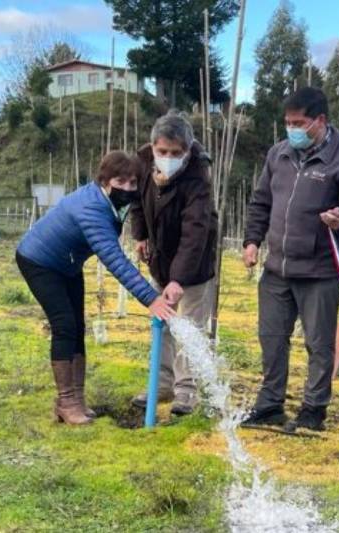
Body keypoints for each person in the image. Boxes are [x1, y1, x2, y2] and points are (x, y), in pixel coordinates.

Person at [240, 87, 339, 433]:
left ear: (320, 121)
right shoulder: (278, 155)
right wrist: (252, 240)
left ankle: (314, 408)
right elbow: (261, 202)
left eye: (299, 123)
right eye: (287, 122)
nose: (292, 129)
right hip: (277, 267)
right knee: (271, 338)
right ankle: (269, 405)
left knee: (319, 343)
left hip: (320, 270)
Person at [16, 151, 175, 426]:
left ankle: (76, 398)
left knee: (78, 325)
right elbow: (114, 258)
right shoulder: (91, 209)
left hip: (67, 264)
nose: (126, 188)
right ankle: (66, 401)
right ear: (104, 180)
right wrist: (150, 298)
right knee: (64, 325)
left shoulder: (113, 201)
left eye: (132, 183)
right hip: (39, 261)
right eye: (120, 181)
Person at [129, 112, 217, 416]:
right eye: (162, 151)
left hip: (195, 264)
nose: (168, 158)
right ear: (153, 146)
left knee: (189, 328)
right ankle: (161, 383)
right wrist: (140, 235)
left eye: (176, 153)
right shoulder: (142, 164)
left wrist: (178, 278)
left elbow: (196, 230)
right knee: (161, 322)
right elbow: (137, 201)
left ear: (188, 151)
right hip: (160, 257)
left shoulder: (198, 177)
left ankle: (186, 392)